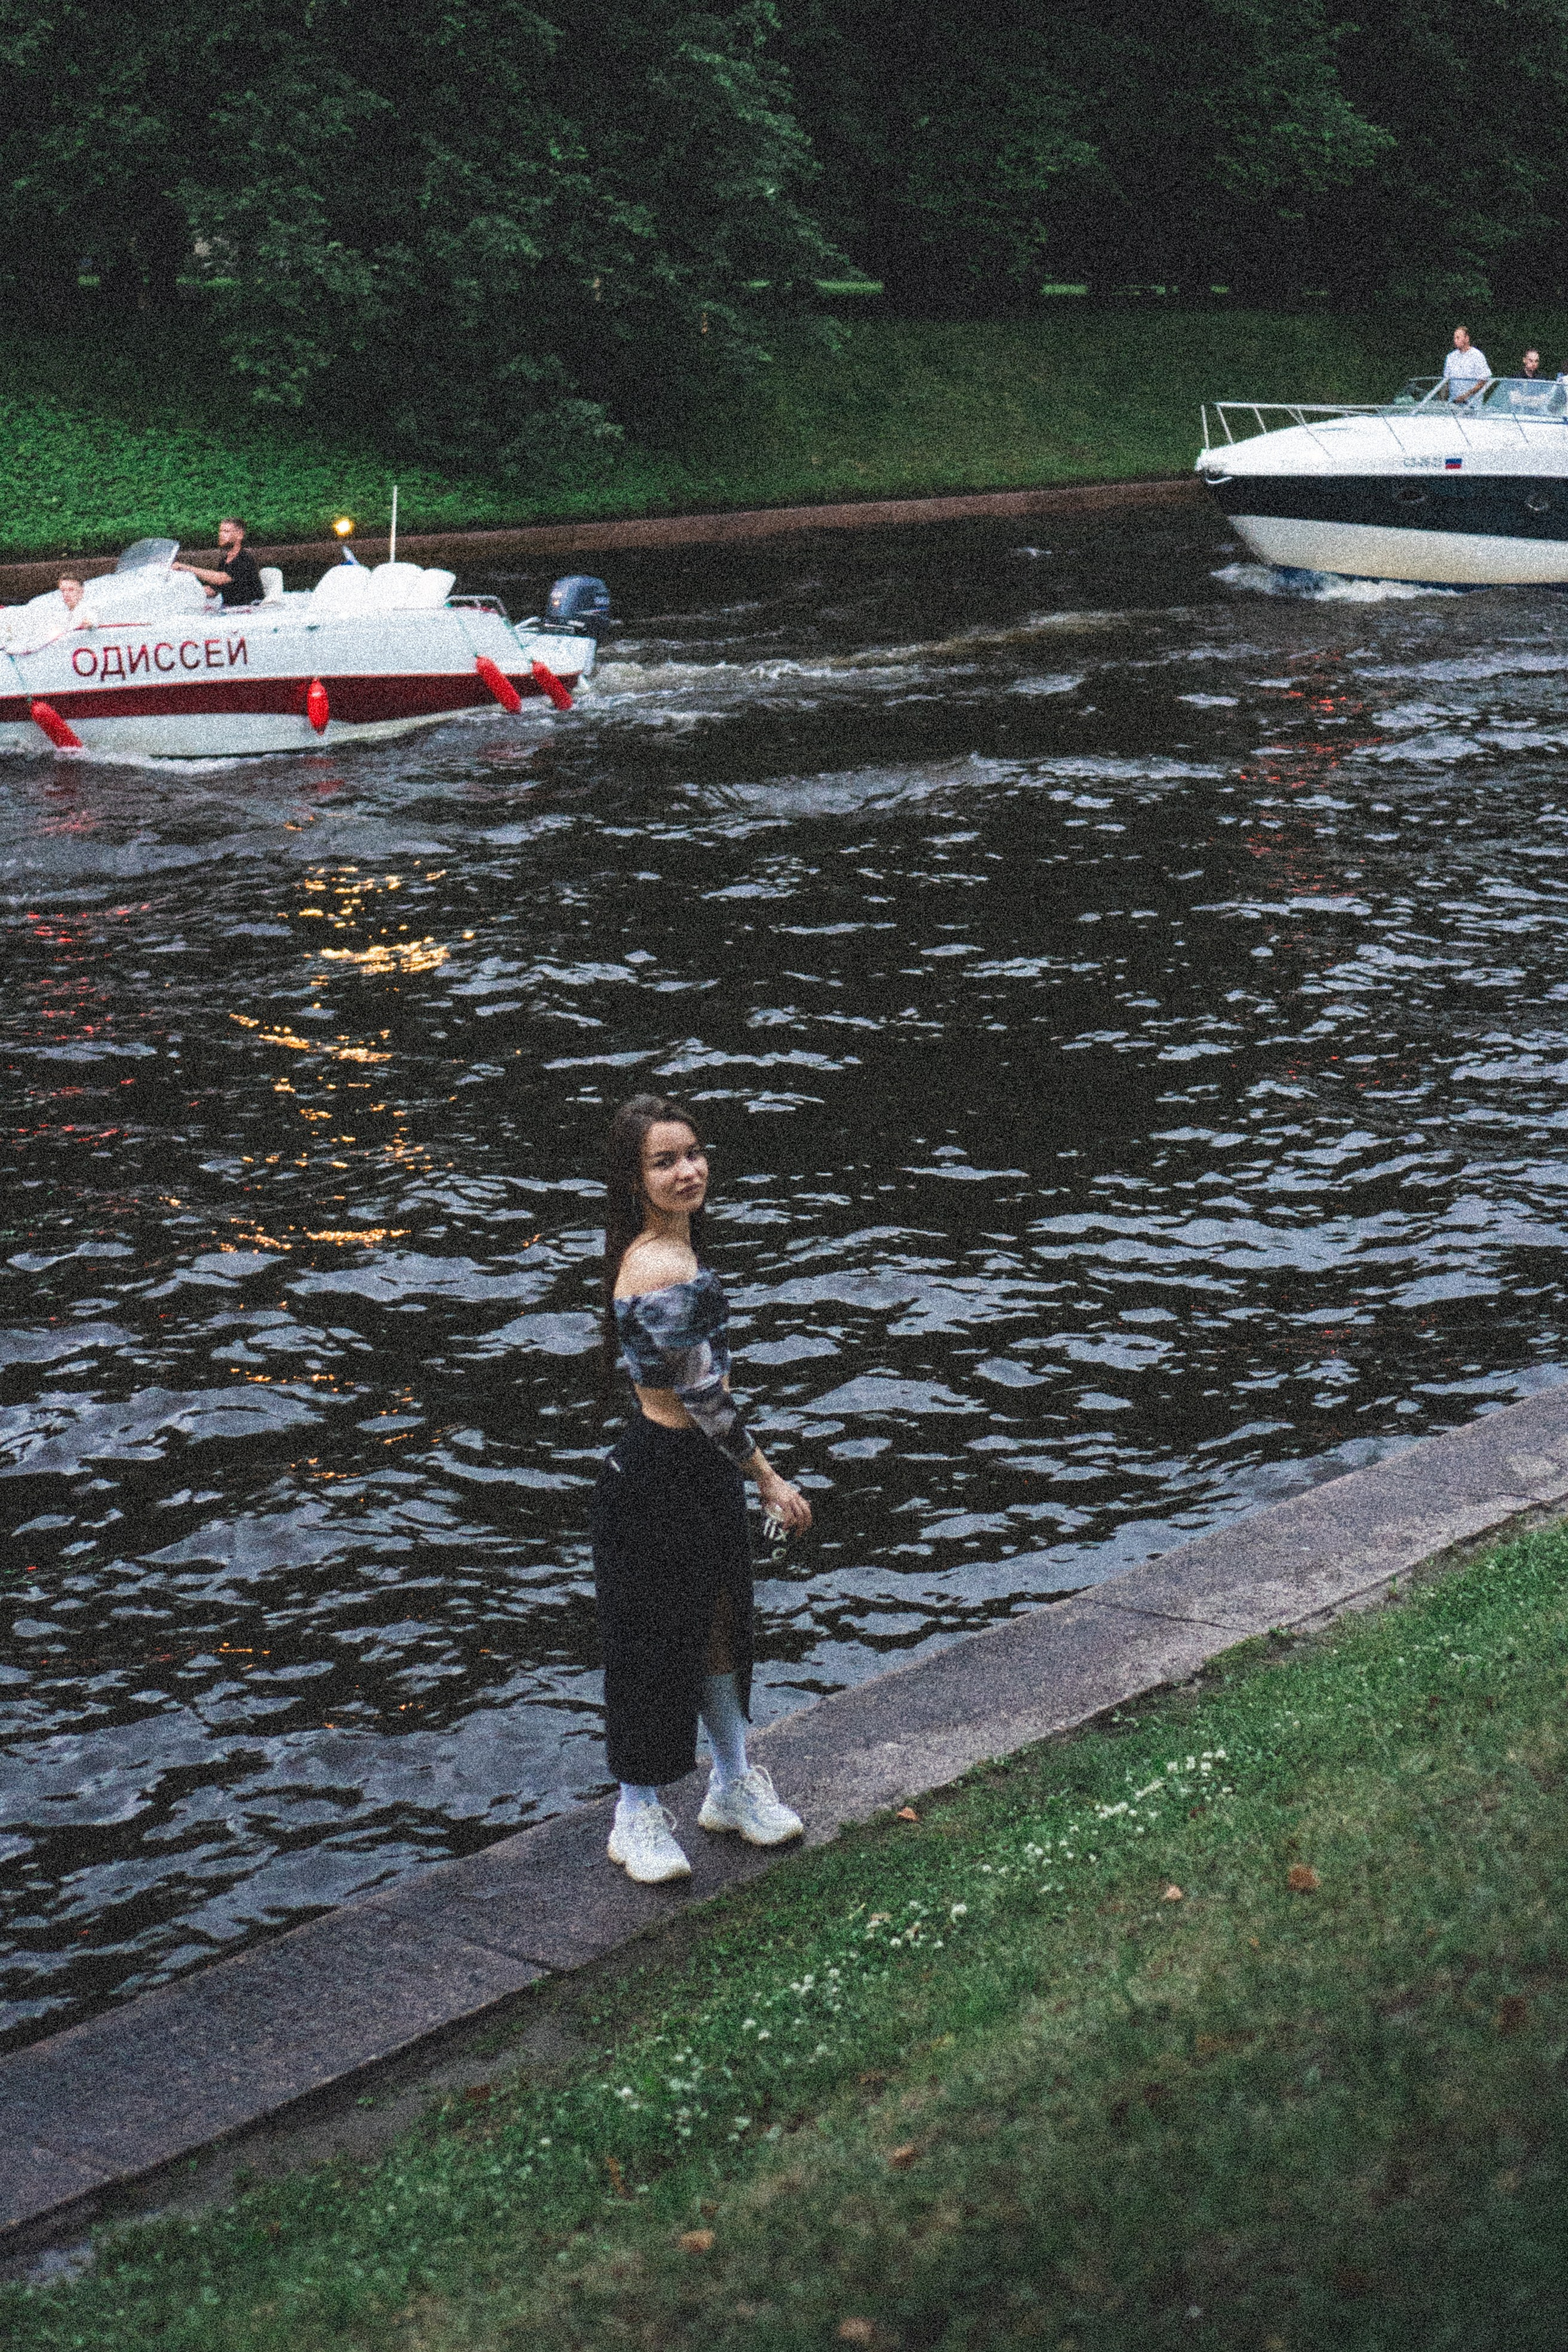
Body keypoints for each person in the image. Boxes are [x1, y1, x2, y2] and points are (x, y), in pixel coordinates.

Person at [592, 1093, 812, 1885]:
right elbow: (703, 1399)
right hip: (656, 1477)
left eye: (693, 1153)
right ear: (634, 1177)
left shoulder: (681, 1251)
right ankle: (636, 1814)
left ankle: (731, 1784)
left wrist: (738, 1477)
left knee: (719, 1629)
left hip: (697, 1473)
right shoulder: (657, 1264)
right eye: (664, 1161)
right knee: (653, 1645)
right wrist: (770, 1479)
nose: (688, 1171)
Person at [174, 518, 264, 608]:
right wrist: (184, 591)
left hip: (250, 609)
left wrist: (186, 567)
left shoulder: (244, 559)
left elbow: (220, 579)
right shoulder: (225, 561)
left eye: (226, 532)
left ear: (240, 535)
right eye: (220, 531)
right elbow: (213, 591)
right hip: (231, 609)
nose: (221, 535)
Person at [1442, 325, 1490, 408]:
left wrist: (1466, 396)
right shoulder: (1451, 357)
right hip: (1454, 404)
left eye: (1458, 338)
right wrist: (1443, 401)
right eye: (1454, 338)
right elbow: (1446, 382)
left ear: (1467, 338)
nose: (1455, 341)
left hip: (1472, 405)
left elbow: (1483, 381)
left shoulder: (1477, 356)